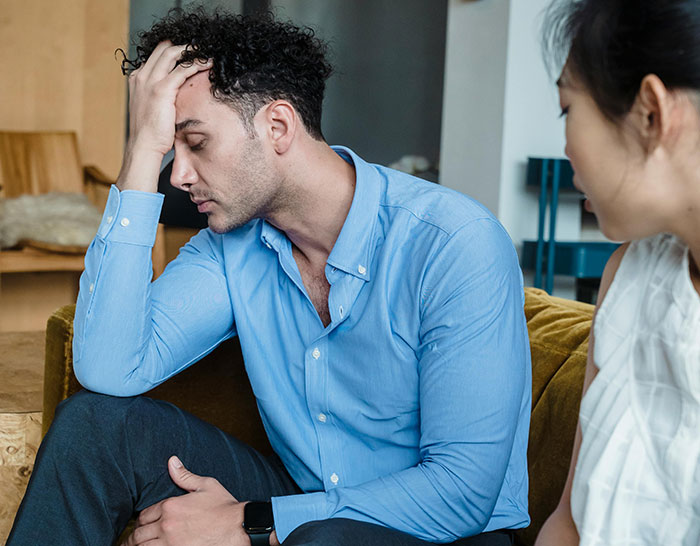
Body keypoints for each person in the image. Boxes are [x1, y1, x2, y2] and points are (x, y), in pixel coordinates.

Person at [8, 8, 531, 546]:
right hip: (300, 496)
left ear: (277, 126)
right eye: (171, 148)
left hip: (446, 531)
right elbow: (110, 368)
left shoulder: (453, 242)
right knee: (94, 426)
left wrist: (254, 521)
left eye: (197, 142)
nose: (179, 177)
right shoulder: (231, 245)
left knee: (322, 541)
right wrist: (142, 149)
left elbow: (463, 492)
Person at [535, 1, 700, 545]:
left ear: (651, 111)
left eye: (567, 109)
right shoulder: (630, 272)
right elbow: (570, 520)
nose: (566, 148)